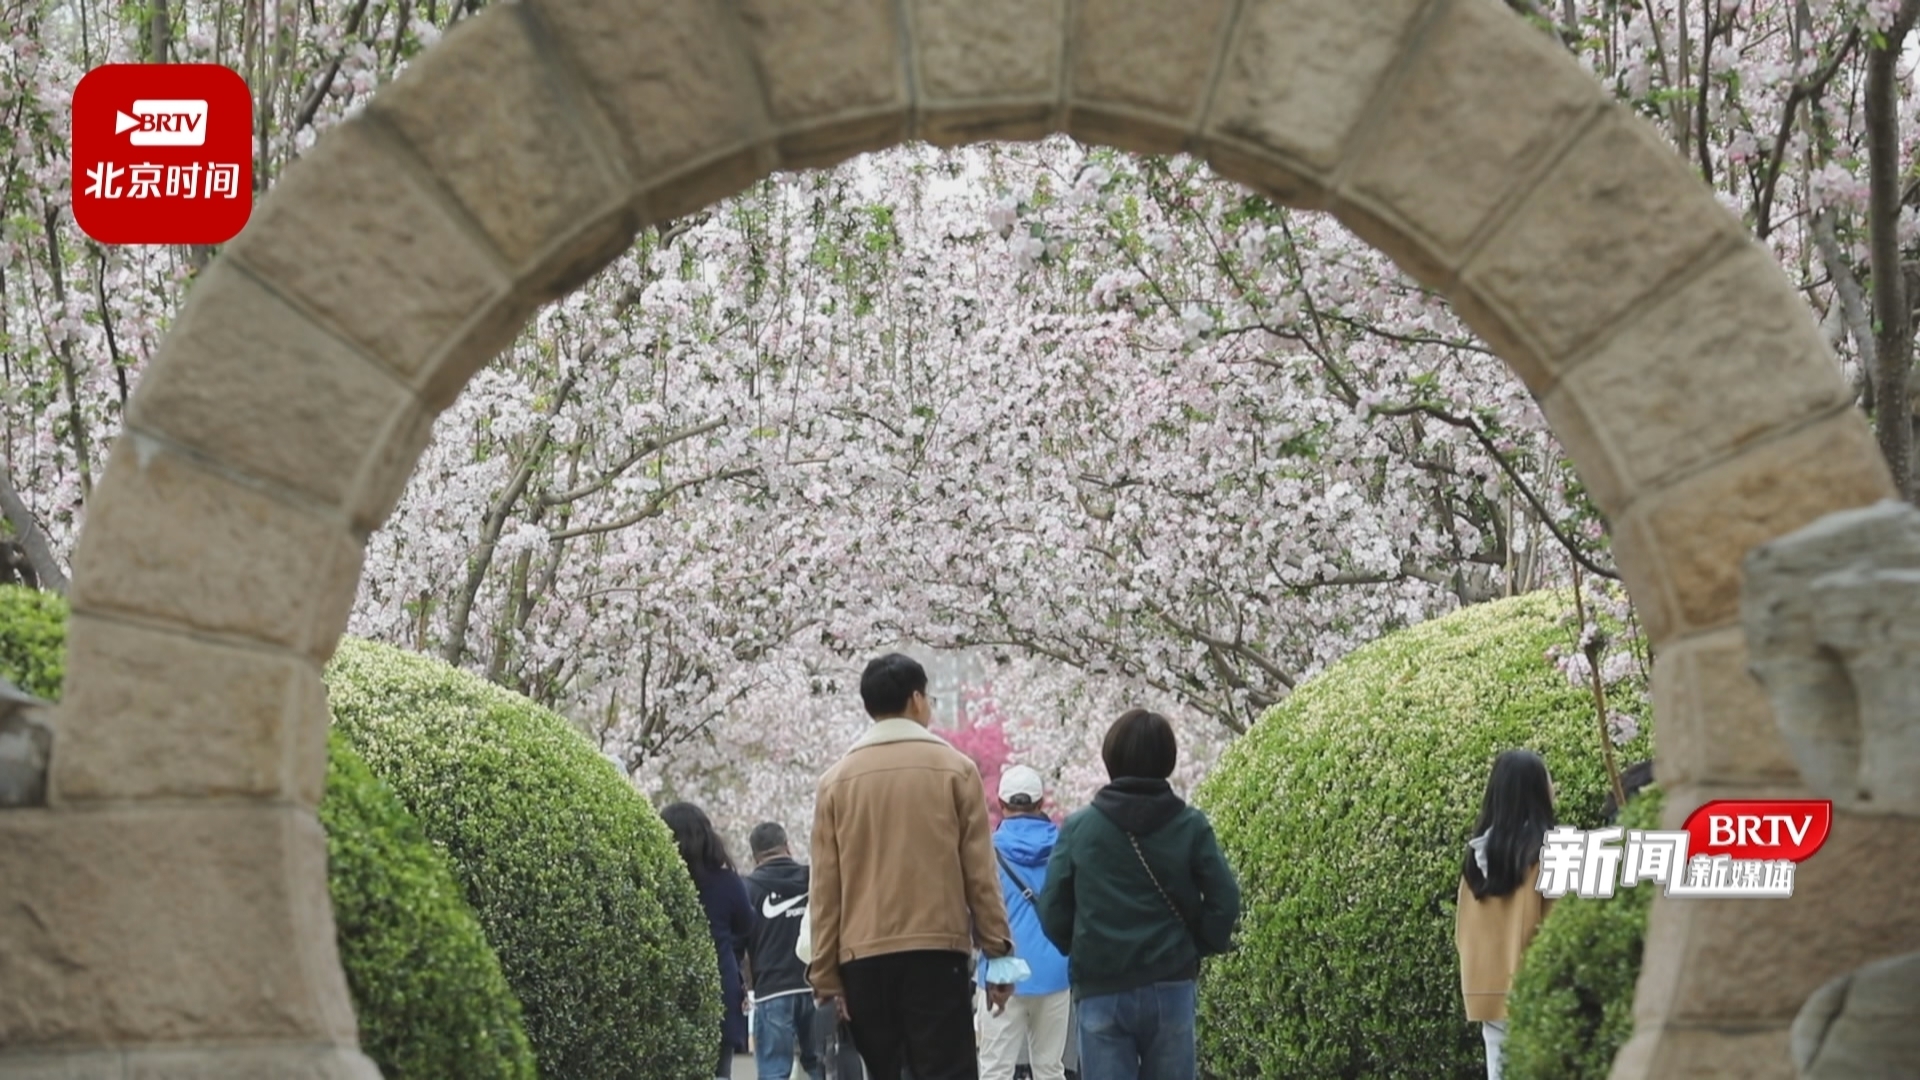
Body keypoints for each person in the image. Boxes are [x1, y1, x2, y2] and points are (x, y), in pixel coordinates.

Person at [808, 652, 1019, 1080]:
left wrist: (826, 976)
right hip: (937, 955)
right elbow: (980, 874)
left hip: (862, 959)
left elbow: (826, 889)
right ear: (917, 699)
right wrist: (997, 953)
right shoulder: (956, 771)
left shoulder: (835, 783)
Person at [1038, 709, 1239, 1080]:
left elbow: (1052, 909)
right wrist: (1200, 945)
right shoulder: (1189, 826)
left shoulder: (1081, 829)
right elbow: (1224, 899)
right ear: (1168, 759)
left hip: (1101, 984)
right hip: (1171, 980)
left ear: (1110, 758)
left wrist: (1082, 944)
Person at [1455, 749, 1558, 1080]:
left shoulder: (1477, 856)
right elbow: (1563, 930)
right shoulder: (1549, 852)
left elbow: (1465, 932)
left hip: (1488, 993)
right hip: (1537, 994)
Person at [979, 764, 1072, 1080]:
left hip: (1001, 970)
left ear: (1001, 804)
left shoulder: (985, 852)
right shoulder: (1064, 847)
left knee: (995, 1069)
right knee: (1050, 1068)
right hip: (1056, 970)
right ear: (1041, 803)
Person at [663, 801, 753, 1080]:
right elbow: (748, 925)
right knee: (719, 1069)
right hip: (719, 982)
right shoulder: (727, 882)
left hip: (668, 984)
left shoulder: (659, 881)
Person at [743, 822, 825, 1080]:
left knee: (774, 1072)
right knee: (820, 1067)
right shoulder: (814, 879)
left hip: (772, 990)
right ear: (788, 846)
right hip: (815, 986)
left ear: (755, 857)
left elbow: (743, 942)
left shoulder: (749, 888)